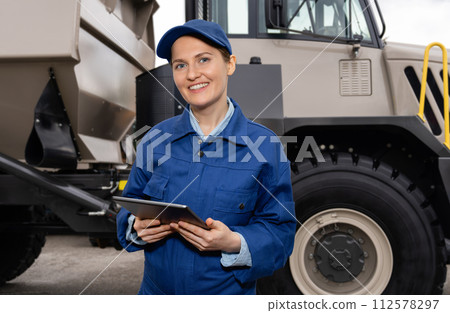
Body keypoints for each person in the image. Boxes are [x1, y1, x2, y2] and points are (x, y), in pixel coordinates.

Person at [116, 19, 296, 295]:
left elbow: (281, 234)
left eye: (203, 60)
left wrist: (234, 241)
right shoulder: (155, 139)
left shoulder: (265, 146)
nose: (192, 74)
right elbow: (130, 208)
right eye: (181, 65)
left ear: (230, 64)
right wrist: (135, 227)